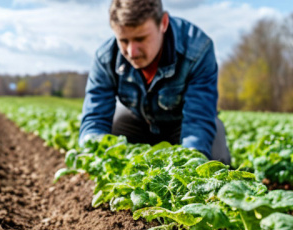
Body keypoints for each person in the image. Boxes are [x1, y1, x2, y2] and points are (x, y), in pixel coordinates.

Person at [79, 0, 231, 165]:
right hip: (138, 123)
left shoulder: (198, 49)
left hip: (181, 126)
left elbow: (198, 120)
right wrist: (92, 157)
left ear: (163, 23)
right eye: (124, 41)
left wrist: (188, 165)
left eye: (141, 38)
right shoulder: (106, 57)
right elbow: (95, 119)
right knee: (116, 122)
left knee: (213, 149)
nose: (132, 52)